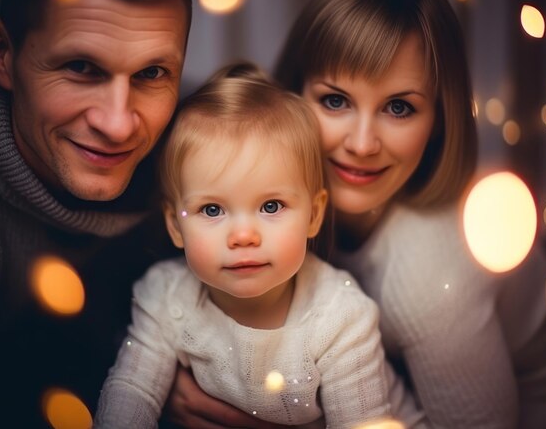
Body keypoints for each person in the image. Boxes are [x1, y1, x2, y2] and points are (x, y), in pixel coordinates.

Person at [169, 0, 546, 429]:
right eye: (335, 101)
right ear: (292, 93)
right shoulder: (266, 190)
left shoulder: (426, 276)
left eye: (399, 107)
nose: (362, 144)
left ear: (440, 120)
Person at [94, 62, 427, 428]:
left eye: (271, 206)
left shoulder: (340, 319)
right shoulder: (166, 297)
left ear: (313, 216)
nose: (243, 236)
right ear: (176, 225)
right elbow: (131, 392)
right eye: (212, 209)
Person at [0, 0, 191, 427]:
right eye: (82, 67)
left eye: (152, 73)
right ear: (2, 53)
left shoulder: (195, 155)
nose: (118, 125)